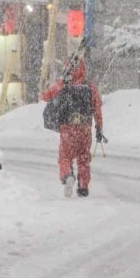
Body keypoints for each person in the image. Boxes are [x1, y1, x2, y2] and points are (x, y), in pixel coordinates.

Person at [41, 59, 106, 198]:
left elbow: (46, 96)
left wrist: (62, 82)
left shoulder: (64, 85)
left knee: (65, 157)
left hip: (68, 129)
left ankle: (67, 175)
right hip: (85, 128)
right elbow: (97, 109)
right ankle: (83, 187)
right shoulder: (90, 87)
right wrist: (99, 127)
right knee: (84, 159)